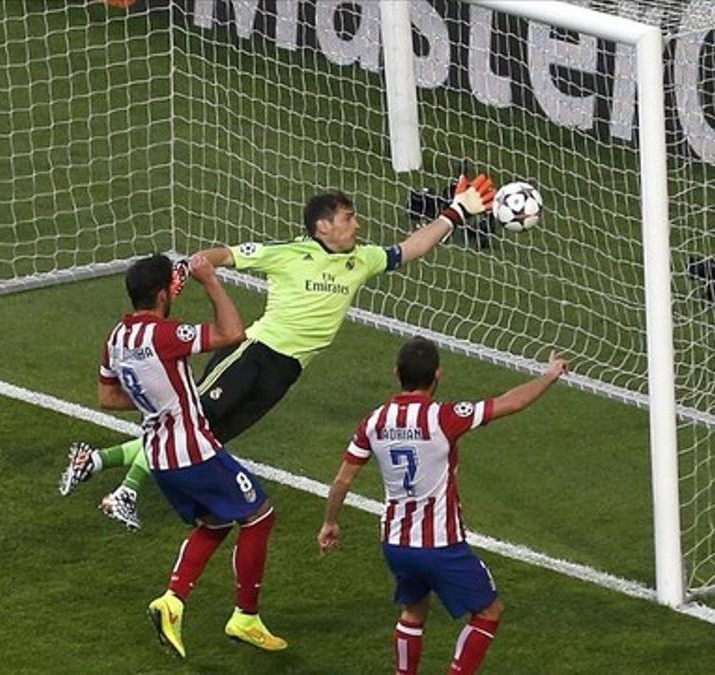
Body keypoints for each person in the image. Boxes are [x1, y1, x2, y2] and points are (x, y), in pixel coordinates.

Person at [61, 176, 497, 529]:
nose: (357, 225)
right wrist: (190, 268)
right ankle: (124, 493)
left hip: (285, 373)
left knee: (208, 439)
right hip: (252, 355)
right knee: (189, 428)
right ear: (322, 226)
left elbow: (413, 247)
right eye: (348, 218)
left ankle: (95, 459)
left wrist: (455, 213)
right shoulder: (288, 254)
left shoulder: (362, 259)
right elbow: (223, 255)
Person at [317, 337, 568, 675]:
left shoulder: (373, 421)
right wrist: (549, 375)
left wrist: (330, 522)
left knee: (414, 610)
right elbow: (510, 403)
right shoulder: (444, 418)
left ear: (396, 373)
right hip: (440, 545)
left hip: (396, 544)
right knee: (489, 611)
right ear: (438, 374)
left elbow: (343, 480)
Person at [98, 253, 285, 659]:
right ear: (163, 294)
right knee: (260, 514)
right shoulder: (164, 335)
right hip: (193, 452)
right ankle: (246, 617)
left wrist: (158, 399)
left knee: (216, 522)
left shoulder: (116, 338)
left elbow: (107, 397)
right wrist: (210, 280)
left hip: (160, 459)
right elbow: (232, 333)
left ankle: (173, 600)